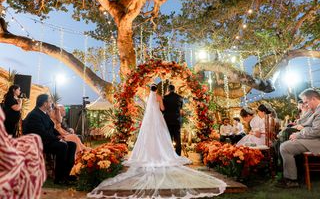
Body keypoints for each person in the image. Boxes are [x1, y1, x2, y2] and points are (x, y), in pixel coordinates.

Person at [88, 84, 226, 198]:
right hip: (165, 119)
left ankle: (149, 153)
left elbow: (155, 108)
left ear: (151, 90)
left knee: (150, 137)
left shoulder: (150, 97)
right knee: (165, 138)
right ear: (158, 90)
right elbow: (162, 109)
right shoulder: (165, 97)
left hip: (150, 121)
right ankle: (171, 154)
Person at [23, 94, 76, 185]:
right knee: (62, 146)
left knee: (72, 144)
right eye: (50, 101)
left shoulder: (44, 113)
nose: (51, 103)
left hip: (48, 140)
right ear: (45, 103)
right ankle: (59, 178)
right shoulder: (34, 115)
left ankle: (65, 175)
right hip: (39, 142)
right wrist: (57, 139)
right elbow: (41, 133)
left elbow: (52, 128)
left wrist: (59, 135)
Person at [277, 88, 320, 188]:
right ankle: (292, 176)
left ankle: (292, 180)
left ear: (313, 99)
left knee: (285, 147)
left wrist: (298, 134)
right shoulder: (316, 109)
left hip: (317, 141)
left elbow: (317, 131)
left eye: (306, 102)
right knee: (285, 144)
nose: (305, 105)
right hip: (313, 139)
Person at [0, 106, 46, 198]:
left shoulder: (45, 115)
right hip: (5, 146)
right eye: (18, 90)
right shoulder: (35, 115)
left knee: (33, 140)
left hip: (7, 137)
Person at [163, 84, 184, 155]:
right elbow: (180, 109)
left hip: (167, 120)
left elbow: (163, 109)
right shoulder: (180, 97)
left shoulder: (165, 98)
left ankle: (169, 154)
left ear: (168, 90)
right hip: (176, 120)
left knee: (169, 138)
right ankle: (178, 154)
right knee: (177, 137)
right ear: (174, 89)